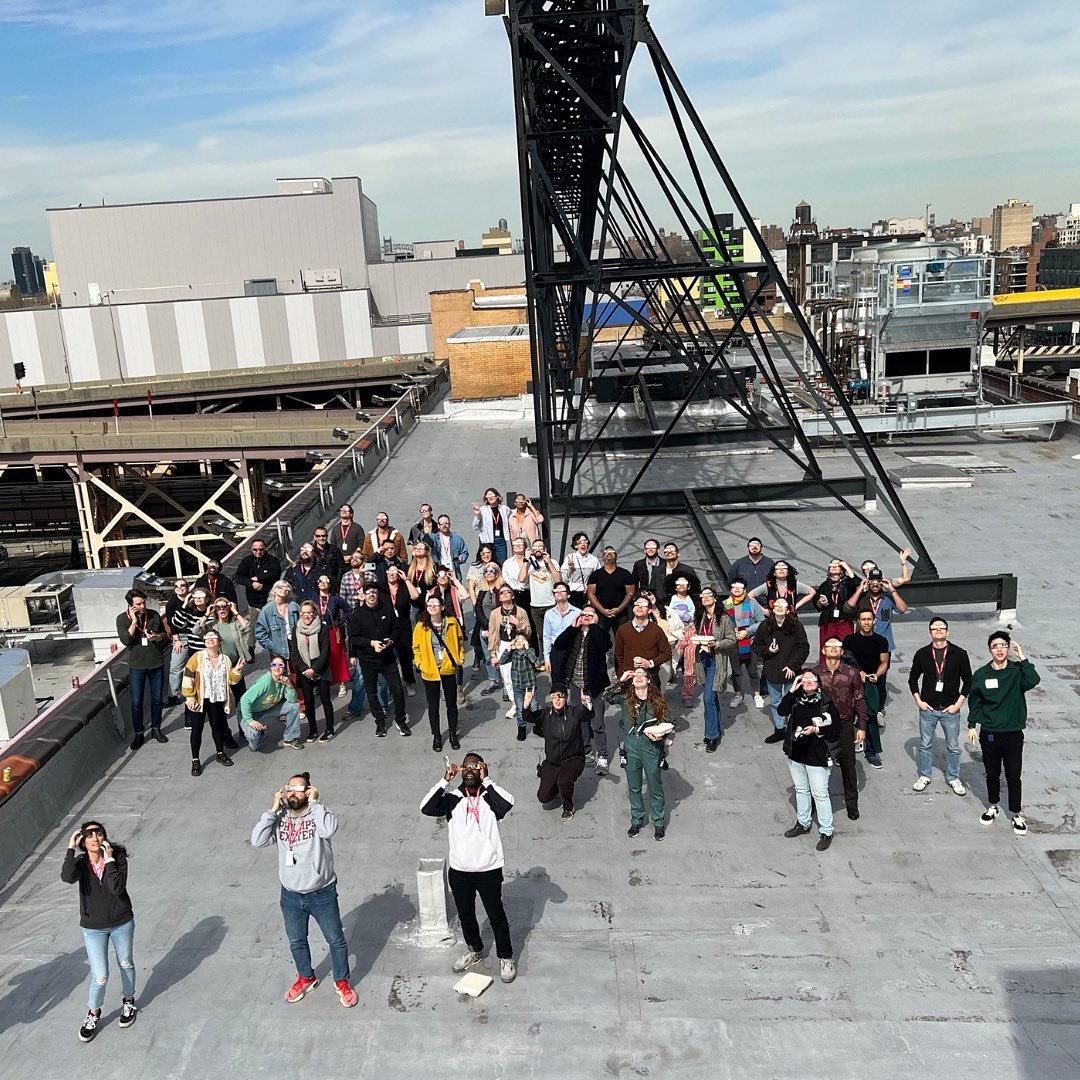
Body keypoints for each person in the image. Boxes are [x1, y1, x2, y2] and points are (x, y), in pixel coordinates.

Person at [251, 773, 358, 1008]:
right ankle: (306, 977)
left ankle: (341, 981)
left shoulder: (319, 815)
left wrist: (316, 803)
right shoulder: (279, 819)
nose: (292, 793)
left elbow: (329, 830)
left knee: (335, 940)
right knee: (296, 940)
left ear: (309, 791)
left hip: (321, 893)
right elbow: (257, 841)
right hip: (290, 894)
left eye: (299, 789)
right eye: (289, 789)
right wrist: (272, 809)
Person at [420, 753, 517, 983]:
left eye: (476, 766)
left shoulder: (490, 798)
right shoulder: (453, 798)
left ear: (482, 769)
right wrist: (445, 780)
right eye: (467, 767)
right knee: (466, 915)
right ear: (461, 771)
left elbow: (508, 802)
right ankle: (475, 950)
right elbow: (426, 807)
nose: (471, 771)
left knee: (496, 915)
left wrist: (489, 780)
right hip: (461, 870)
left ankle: (506, 956)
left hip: (488, 869)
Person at [62, 821, 137, 1043]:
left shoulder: (118, 857)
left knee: (126, 963)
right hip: (93, 927)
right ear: (83, 841)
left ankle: (129, 1001)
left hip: (121, 921)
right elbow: (67, 877)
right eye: (89, 835)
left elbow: (117, 888)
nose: (95, 838)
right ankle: (93, 1013)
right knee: (100, 975)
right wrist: (69, 848)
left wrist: (110, 860)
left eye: (99, 833)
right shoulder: (80, 863)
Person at [967, 633, 1040, 835]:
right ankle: (993, 806)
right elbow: (975, 701)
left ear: (1009, 648)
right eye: (995, 646)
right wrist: (972, 724)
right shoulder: (981, 674)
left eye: (1003, 645)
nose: (999, 649)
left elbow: (1034, 680)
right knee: (992, 773)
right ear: (989, 649)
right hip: (990, 733)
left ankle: (1016, 813)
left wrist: (1023, 657)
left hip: (1013, 734)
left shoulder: (1017, 672)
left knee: (1013, 776)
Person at [909, 618, 973, 796]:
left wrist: (957, 704)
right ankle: (925, 775)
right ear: (930, 632)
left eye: (941, 628)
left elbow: (968, 680)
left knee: (953, 746)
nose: (938, 631)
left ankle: (953, 777)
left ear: (947, 632)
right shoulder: (922, 654)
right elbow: (913, 678)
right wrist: (919, 701)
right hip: (928, 709)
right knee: (925, 744)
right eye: (934, 629)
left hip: (950, 710)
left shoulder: (959, 654)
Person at [778, 669, 839, 851]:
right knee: (801, 790)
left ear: (819, 683)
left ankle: (827, 831)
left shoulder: (826, 703)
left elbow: (836, 730)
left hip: (818, 756)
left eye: (812, 679)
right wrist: (792, 689)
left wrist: (817, 730)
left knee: (820, 794)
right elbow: (782, 710)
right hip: (797, 754)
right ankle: (803, 823)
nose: (808, 682)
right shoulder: (796, 700)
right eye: (804, 680)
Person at [549, 607, 613, 775]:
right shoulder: (574, 633)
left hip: (594, 687)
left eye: (589, 615)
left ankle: (603, 756)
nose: (585, 617)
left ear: (595, 618)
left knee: (597, 723)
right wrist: (573, 626)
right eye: (583, 614)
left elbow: (605, 645)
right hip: (576, 685)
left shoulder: (599, 633)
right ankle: (587, 751)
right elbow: (559, 644)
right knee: (579, 720)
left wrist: (594, 626)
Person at [845, 566, 909, 718]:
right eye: (872, 581)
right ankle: (857, 704)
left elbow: (903, 609)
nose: (875, 584)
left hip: (883, 644)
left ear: (882, 583)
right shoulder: (862, 599)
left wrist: (892, 589)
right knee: (857, 674)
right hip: (861, 643)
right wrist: (860, 589)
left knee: (880, 676)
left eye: (878, 581)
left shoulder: (887, 599)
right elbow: (848, 608)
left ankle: (878, 707)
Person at [815, 635, 867, 820]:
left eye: (837, 646)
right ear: (823, 650)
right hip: (821, 727)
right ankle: (815, 804)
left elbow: (860, 700)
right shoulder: (815, 674)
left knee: (848, 767)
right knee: (817, 767)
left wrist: (861, 726)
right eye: (830, 646)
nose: (834, 648)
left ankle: (852, 805)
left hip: (844, 726)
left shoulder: (852, 673)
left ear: (842, 651)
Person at [348, 583, 409, 737]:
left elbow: (396, 628)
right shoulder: (357, 614)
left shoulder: (387, 609)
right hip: (368, 660)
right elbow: (354, 638)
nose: (371, 595)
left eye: (374, 592)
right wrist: (371, 643)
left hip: (388, 658)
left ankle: (400, 721)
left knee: (398, 691)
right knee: (372, 693)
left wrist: (390, 641)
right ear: (363, 595)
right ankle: (380, 723)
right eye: (368, 592)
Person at [181, 630, 244, 774]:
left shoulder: (225, 659)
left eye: (213, 637)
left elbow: (231, 680)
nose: (210, 640)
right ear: (204, 642)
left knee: (218, 727)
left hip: (217, 699)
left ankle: (220, 753)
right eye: (207, 638)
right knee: (197, 729)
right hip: (199, 699)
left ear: (219, 641)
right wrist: (189, 697)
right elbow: (188, 675)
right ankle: (195, 760)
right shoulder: (197, 657)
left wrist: (237, 671)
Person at [619, 669, 670, 840]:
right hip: (631, 746)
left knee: (655, 787)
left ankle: (658, 822)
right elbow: (607, 697)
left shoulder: (657, 701)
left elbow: (669, 722)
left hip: (651, 748)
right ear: (632, 682)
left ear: (649, 680)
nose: (638, 677)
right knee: (634, 787)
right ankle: (637, 819)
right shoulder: (626, 699)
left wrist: (662, 734)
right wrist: (621, 679)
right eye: (635, 676)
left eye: (642, 675)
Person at [116, 588, 169, 751]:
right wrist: (133, 622)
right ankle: (139, 733)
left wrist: (157, 637)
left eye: (143, 602)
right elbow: (126, 640)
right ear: (131, 606)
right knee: (136, 702)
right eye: (138, 604)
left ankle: (156, 729)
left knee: (157, 698)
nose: (143, 606)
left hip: (155, 662)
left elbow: (164, 634)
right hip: (137, 665)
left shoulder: (153, 615)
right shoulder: (121, 619)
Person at [752, 597, 810, 743]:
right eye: (776, 605)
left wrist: (793, 665)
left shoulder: (796, 626)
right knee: (776, 701)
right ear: (772, 608)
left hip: (791, 669)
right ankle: (779, 729)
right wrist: (768, 651)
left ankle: (793, 728)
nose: (779, 608)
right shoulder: (765, 626)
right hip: (773, 670)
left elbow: (804, 648)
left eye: (782, 606)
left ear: (787, 609)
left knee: (792, 700)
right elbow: (756, 647)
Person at [412, 594, 464, 752]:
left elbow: (460, 640)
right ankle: (437, 736)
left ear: (442, 607)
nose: (432, 607)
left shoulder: (452, 622)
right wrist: (420, 663)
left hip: (448, 666)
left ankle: (453, 734)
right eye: (429, 605)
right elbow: (416, 647)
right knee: (433, 706)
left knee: (451, 704)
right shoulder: (421, 625)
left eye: (435, 604)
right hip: (430, 669)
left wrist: (459, 657)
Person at [841, 611, 890, 769]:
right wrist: (858, 672)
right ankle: (843, 752)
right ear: (858, 622)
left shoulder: (881, 641)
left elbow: (884, 662)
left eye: (869, 619)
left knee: (870, 717)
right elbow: (845, 661)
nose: (867, 622)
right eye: (863, 619)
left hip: (871, 684)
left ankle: (871, 752)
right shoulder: (849, 640)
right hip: (851, 684)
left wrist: (877, 674)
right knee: (847, 717)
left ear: (874, 621)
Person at [694, 586, 737, 753]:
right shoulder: (701, 616)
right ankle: (716, 730)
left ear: (715, 598)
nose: (704, 598)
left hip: (715, 660)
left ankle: (711, 736)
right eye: (702, 595)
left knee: (708, 698)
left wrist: (717, 644)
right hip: (702, 659)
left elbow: (732, 640)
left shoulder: (723, 618)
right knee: (711, 699)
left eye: (708, 595)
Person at [536, 686, 589, 820]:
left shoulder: (574, 712)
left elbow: (589, 715)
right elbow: (529, 717)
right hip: (553, 761)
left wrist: (586, 703)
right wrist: (525, 705)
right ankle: (555, 787)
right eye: (553, 697)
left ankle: (568, 807)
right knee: (543, 797)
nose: (557, 700)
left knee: (563, 782)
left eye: (560, 696)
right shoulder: (546, 714)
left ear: (566, 697)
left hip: (573, 758)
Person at [289, 601, 336, 743]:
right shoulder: (295, 629)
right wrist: (305, 669)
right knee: (308, 702)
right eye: (303, 613)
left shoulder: (323, 628)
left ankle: (329, 729)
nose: (306, 616)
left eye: (309, 612)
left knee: (325, 699)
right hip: (304, 671)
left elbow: (325, 651)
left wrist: (314, 669)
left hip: (321, 668)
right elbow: (295, 653)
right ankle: (313, 729)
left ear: (314, 613)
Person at [239, 656, 304, 751]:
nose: (277, 668)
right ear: (270, 667)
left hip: (267, 709)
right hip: (250, 712)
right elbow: (245, 700)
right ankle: (253, 745)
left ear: (284, 668)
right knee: (253, 735)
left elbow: (292, 700)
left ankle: (290, 738)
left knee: (294, 706)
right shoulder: (266, 681)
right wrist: (250, 720)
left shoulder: (283, 680)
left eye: (280, 665)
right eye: (274, 664)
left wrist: (289, 686)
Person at [429, 564, 471, 705]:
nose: (442, 578)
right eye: (440, 576)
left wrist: (456, 580)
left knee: (457, 658)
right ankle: (444, 687)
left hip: (454, 627)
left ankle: (459, 688)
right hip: (437, 628)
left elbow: (466, 595)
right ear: (436, 578)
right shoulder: (431, 593)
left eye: (445, 575)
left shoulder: (454, 590)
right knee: (440, 658)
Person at [722, 577, 766, 707]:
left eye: (740, 586)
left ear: (745, 589)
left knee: (752, 670)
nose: (737, 588)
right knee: (736, 671)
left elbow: (761, 622)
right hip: (732, 642)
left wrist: (747, 631)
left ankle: (757, 695)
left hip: (750, 641)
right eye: (734, 586)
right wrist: (730, 631)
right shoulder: (725, 604)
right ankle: (737, 695)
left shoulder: (752, 603)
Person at [487, 584, 532, 708]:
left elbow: (528, 632)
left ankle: (525, 701)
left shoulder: (521, 611)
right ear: (499, 598)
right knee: (506, 676)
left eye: (508, 591)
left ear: (512, 595)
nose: (505, 593)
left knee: (521, 675)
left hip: (519, 645)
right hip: (503, 645)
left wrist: (518, 624)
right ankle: (514, 703)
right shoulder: (495, 613)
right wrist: (493, 654)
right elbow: (492, 633)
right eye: (502, 593)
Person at [209, 596, 252, 722]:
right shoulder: (213, 626)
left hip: (235, 666)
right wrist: (208, 614)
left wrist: (236, 611)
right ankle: (223, 732)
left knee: (241, 698)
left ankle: (244, 726)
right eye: (218, 607)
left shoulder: (234, 624)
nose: (221, 609)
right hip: (219, 667)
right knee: (222, 699)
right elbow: (197, 630)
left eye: (224, 606)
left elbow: (247, 627)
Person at [614, 595, 672, 688]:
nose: (640, 607)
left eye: (644, 605)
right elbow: (618, 654)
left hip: (650, 677)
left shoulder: (656, 630)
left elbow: (667, 653)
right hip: (630, 678)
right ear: (633, 608)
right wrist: (622, 673)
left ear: (649, 610)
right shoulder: (623, 629)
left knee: (654, 702)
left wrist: (650, 663)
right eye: (637, 604)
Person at [470, 560, 505, 697]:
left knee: (502, 655)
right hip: (484, 628)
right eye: (486, 571)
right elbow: (478, 608)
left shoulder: (502, 588)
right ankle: (493, 681)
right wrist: (486, 625)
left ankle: (507, 686)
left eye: (491, 571)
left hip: (501, 627)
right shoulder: (483, 589)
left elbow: (506, 608)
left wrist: (494, 628)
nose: (488, 574)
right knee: (488, 656)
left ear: (497, 573)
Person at [384, 562, 419, 695]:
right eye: (389, 572)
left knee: (405, 655)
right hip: (387, 625)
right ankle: (391, 684)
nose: (392, 574)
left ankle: (409, 683)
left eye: (395, 572)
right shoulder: (383, 587)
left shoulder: (404, 586)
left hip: (403, 624)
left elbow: (415, 596)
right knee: (388, 656)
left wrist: (406, 579)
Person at [314, 574, 353, 690]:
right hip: (318, 632)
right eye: (320, 580)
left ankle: (342, 683)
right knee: (320, 656)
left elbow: (348, 611)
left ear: (330, 584)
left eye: (326, 580)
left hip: (333, 631)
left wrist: (340, 622)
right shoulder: (314, 598)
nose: (323, 582)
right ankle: (322, 683)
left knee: (337, 656)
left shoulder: (336, 599)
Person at [812, 558, 859, 653]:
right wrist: (821, 602)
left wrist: (846, 566)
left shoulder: (847, 583)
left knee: (846, 649)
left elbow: (855, 581)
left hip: (844, 622)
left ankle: (845, 667)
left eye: (836, 565)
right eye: (831, 565)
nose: (833, 567)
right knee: (827, 648)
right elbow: (816, 604)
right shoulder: (824, 585)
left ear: (841, 569)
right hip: (828, 623)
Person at [586, 546, 636, 633]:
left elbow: (630, 593)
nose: (609, 554)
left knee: (621, 639)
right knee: (600, 640)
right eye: (606, 553)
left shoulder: (625, 573)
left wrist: (619, 609)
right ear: (603, 557)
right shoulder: (595, 574)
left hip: (621, 614)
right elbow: (591, 594)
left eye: (612, 552)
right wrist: (602, 610)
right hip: (601, 614)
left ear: (616, 556)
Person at [163, 577, 194, 706]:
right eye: (177, 586)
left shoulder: (193, 600)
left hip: (194, 635)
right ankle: (174, 694)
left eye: (183, 585)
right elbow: (171, 622)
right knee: (176, 667)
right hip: (181, 637)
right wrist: (176, 639)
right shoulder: (172, 603)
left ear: (187, 587)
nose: (180, 588)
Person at [666, 576, 697, 702]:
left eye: (684, 584)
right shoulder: (669, 600)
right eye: (678, 584)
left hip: (691, 633)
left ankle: (688, 693)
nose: (681, 586)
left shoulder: (694, 599)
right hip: (675, 635)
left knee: (690, 665)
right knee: (671, 664)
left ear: (689, 586)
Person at [235, 539, 282, 623]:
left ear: (265, 548)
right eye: (255, 549)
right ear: (251, 549)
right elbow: (239, 577)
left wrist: (258, 578)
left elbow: (275, 574)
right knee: (255, 626)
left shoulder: (273, 560)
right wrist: (252, 583)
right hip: (253, 602)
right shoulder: (246, 561)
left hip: (270, 600)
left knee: (273, 624)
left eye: (261, 549)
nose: (258, 552)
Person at [526, 537, 561, 645]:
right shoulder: (530, 563)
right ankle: (544, 658)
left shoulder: (553, 562)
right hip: (535, 605)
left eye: (540, 547)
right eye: (535, 547)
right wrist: (525, 560)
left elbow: (558, 580)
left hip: (550, 603)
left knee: (554, 633)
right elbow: (521, 579)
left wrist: (549, 562)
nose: (537, 549)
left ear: (545, 549)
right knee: (541, 635)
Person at [750, 560, 816, 615]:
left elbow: (812, 592)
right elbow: (750, 595)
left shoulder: (795, 584)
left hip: (790, 619)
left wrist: (796, 606)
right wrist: (763, 610)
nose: (781, 569)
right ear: (774, 573)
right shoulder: (768, 585)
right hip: (772, 620)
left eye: (784, 568)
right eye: (778, 568)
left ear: (788, 573)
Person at [255, 581, 300, 661]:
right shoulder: (267, 610)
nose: (284, 589)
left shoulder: (294, 606)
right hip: (277, 650)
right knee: (279, 672)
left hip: (295, 646)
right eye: (280, 587)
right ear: (274, 590)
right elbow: (260, 633)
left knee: (296, 672)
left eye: (287, 587)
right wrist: (272, 646)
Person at [507, 634, 539, 741]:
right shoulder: (513, 653)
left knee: (534, 705)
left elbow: (536, 662)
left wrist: (527, 649)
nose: (520, 642)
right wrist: (508, 648)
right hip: (518, 685)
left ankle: (537, 725)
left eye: (522, 640)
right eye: (517, 640)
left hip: (530, 684)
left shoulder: (530, 651)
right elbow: (502, 660)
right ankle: (521, 728)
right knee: (520, 708)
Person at [542, 582, 581, 669]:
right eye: (556, 591)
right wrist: (547, 659)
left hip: (573, 650)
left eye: (562, 590)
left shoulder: (578, 612)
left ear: (568, 595)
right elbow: (546, 637)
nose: (559, 592)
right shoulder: (549, 614)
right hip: (556, 650)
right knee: (557, 680)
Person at [472, 487, 512, 563]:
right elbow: (475, 527)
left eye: (492, 495)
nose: (490, 497)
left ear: (497, 496)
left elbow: (512, 518)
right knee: (488, 563)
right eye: (488, 496)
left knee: (502, 563)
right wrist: (477, 515)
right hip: (487, 541)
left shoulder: (505, 509)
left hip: (501, 540)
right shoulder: (483, 510)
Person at [561, 531, 600, 606]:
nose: (583, 544)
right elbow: (564, 579)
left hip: (587, 593)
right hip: (573, 593)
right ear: (575, 545)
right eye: (579, 542)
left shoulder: (593, 560)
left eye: (585, 541)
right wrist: (570, 569)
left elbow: (598, 578)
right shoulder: (570, 557)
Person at [406, 541, 438, 626]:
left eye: (421, 548)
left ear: (427, 552)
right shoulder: (409, 568)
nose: (418, 549)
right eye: (416, 548)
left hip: (429, 603)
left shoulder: (434, 567)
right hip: (414, 603)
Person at [431, 514, 470, 579]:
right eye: (442, 523)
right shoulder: (433, 538)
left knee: (455, 589)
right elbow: (424, 543)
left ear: (450, 525)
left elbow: (465, 552)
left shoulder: (457, 538)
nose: (444, 525)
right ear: (438, 525)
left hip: (454, 572)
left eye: (446, 523)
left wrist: (460, 558)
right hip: (439, 573)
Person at [501, 536, 531, 610]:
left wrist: (526, 560)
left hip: (529, 593)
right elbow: (506, 578)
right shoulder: (508, 563)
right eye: (515, 544)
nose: (517, 545)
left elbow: (524, 579)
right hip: (514, 594)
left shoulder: (532, 562)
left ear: (525, 547)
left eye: (520, 543)